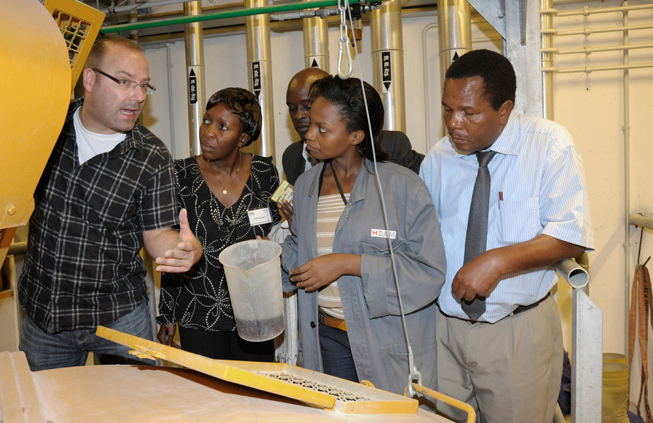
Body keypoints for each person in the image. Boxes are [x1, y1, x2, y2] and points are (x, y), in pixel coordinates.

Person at [418, 49, 594, 422]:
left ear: (504, 109)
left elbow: (570, 235)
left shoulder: (549, 145)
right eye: (448, 110)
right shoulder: (438, 159)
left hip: (517, 333)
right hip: (444, 330)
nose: (454, 123)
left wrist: (496, 262)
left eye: (468, 112)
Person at [17, 35, 202, 371]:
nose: (138, 96)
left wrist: (183, 249)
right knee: (46, 412)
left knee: (133, 412)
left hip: (118, 317)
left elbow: (158, 233)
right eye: (125, 82)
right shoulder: (46, 128)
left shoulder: (152, 157)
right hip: (46, 315)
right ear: (90, 79)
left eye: (144, 85)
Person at [280, 75, 446, 395]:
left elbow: (428, 272)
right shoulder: (305, 185)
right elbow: (299, 247)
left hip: (386, 339)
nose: (309, 135)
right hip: (326, 339)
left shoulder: (402, 187)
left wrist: (346, 263)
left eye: (322, 129)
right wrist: (269, 260)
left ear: (356, 135)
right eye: (310, 124)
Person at [156, 88, 281, 361]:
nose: (207, 132)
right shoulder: (180, 175)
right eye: (206, 120)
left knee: (255, 396)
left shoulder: (264, 172)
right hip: (197, 310)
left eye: (222, 127)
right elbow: (172, 246)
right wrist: (168, 314)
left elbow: (276, 239)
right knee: (208, 399)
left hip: (254, 313)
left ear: (243, 138)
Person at [282, 67, 424, 186]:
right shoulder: (292, 158)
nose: (298, 115)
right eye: (292, 108)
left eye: (308, 106)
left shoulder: (393, 147)